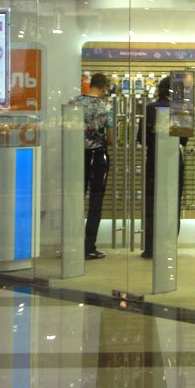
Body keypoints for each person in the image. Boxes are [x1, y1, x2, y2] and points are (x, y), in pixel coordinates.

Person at [137, 76, 187, 259]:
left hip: (154, 160)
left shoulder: (149, 108)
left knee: (152, 203)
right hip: (173, 161)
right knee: (173, 203)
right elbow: (184, 139)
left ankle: (150, 248)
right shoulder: (180, 109)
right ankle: (169, 246)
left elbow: (141, 138)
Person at [70, 72, 113, 260]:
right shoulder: (106, 106)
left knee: (74, 200)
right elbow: (110, 138)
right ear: (103, 87)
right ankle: (89, 247)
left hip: (76, 155)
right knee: (95, 202)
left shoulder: (74, 103)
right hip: (98, 156)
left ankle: (71, 245)